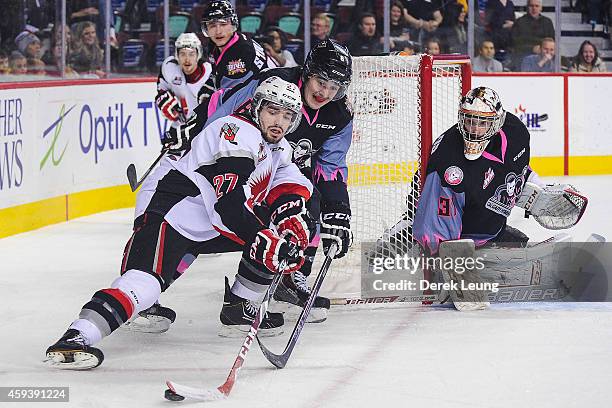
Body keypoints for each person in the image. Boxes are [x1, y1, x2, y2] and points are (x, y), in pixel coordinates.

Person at [45, 76, 314, 369]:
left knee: (280, 236)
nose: (279, 121)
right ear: (257, 107)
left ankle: (239, 308)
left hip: (210, 224)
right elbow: (229, 205)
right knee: (144, 286)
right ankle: (77, 337)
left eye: (287, 116)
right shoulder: (236, 131)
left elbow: (289, 183)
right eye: (273, 111)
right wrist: (263, 238)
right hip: (173, 217)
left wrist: (289, 216)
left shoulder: (277, 146)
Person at [153, 39, 354, 327]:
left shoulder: (340, 113)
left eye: (334, 86)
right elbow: (222, 107)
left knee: (307, 207)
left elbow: (331, 166)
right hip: (239, 163)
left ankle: (285, 280)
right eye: (321, 81)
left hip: (281, 170)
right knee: (201, 222)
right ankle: (153, 282)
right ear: (308, 72)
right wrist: (192, 131)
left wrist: (339, 208)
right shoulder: (274, 84)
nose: (325, 92)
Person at [413, 87, 586, 310]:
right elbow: (436, 230)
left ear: (496, 122)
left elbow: (516, 169)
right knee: (513, 266)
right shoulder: (448, 164)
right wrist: (451, 272)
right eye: (469, 121)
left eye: (482, 122)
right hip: (457, 237)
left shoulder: (515, 131)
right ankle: (406, 243)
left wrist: (538, 189)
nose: (474, 129)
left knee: (520, 242)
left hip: (489, 228)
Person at [200, 0, 271, 90]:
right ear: (206, 28)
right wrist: (208, 87)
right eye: (212, 25)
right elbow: (218, 72)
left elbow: (234, 97)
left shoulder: (243, 51)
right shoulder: (213, 45)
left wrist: (209, 100)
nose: (218, 31)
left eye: (223, 24)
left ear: (233, 24)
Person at [155, 33, 214, 126]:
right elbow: (162, 90)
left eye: (191, 54)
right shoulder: (170, 68)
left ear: (198, 55)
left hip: (204, 127)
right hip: (180, 127)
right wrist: (162, 99)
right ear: (177, 55)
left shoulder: (209, 74)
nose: (187, 59)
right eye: (182, 54)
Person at [511, 0, 555, 69]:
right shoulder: (519, 22)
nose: (534, 8)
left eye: (537, 6)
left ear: (541, 8)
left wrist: (543, 49)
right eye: (531, 6)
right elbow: (514, 43)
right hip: (524, 55)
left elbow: (552, 41)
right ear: (527, 7)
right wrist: (532, 49)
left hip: (545, 53)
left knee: (561, 60)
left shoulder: (547, 22)